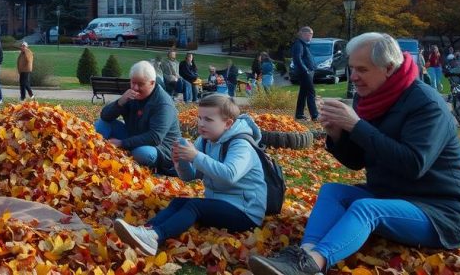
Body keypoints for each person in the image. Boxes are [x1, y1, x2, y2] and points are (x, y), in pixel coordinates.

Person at [248, 32, 460, 275]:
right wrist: (338, 134)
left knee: (367, 207)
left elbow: (412, 165)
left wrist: (357, 126)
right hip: (393, 195)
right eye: (351, 68)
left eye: (362, 69)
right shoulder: (368, 98)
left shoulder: (426, 103)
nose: (354, 77)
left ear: (389, 68)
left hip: (443, 211)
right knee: (332, 191)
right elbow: (357, 161)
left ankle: (313, 264)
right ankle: (303, 254)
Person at [114, 94, 267, 256]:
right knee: (179, 202)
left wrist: (194, 156)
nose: (201, 124)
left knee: (194, 206)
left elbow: (229, 175)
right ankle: (145, 231)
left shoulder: (241, 144)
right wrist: (181, 162)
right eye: (199, 118)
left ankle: (155, 236)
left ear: (228, 123)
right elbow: (191, 176)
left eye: (208, 120)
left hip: (245, 212)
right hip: (219, 202)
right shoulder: (205, 140)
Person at [95, 61, 181, 175]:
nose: (135, 88)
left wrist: (121, 143)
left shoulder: (163, 103)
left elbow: (154, 137)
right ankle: (99, 158)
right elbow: (105, 116)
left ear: (152, 83)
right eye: (133, 82)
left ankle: (147, 168)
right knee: (101, 124)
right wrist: (120, 102)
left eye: (140, 84)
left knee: (142, 153)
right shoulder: (131, 96)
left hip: (160, 148)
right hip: (134, 136)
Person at [292, 26, 318, 122]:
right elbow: (297, 59)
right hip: (304, 73)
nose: (311, 35)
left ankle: (299, 115)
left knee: (303, 94)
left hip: (307, 72)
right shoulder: (298, 44)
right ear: (303, 33)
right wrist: (305, 70)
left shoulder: (304, 44)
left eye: (312, 34)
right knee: (311, 93)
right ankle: (315, 115)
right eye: (310, 33)